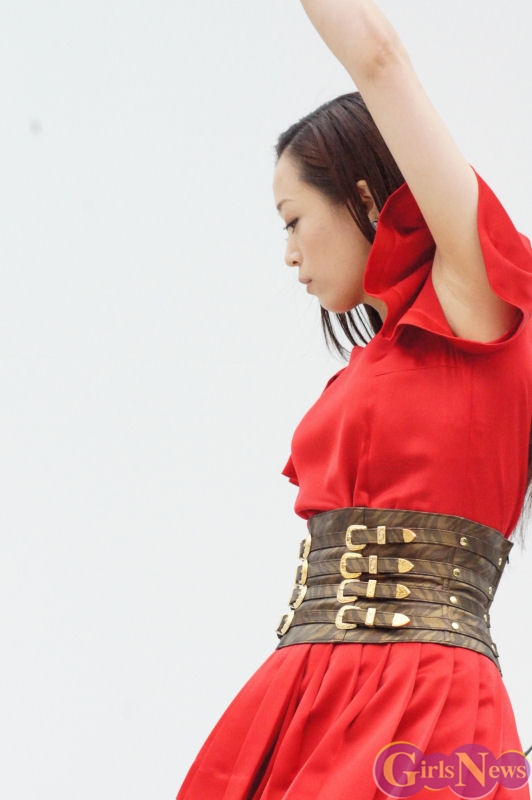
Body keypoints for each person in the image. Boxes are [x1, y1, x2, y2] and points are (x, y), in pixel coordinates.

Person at [177, 1, 532, 798]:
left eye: (294, 220)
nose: (289, 254)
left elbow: (380, 59)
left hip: (426, 702)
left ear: (364, 197)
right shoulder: (378, 360)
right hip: (306, 695)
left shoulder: (476, 301)